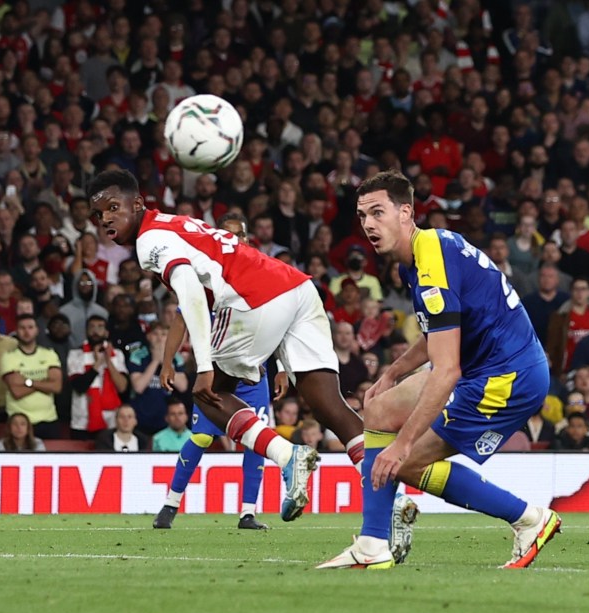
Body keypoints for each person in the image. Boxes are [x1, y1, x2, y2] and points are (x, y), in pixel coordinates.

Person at [88, 169, 401, 532]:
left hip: (253, 299)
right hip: (297, 288)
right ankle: (392, 499)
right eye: (98, 215)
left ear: (138, 203)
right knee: (330, 405)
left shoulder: (150, 240)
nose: (106, 218)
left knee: (210, 394)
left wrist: (203, 363)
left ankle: (288, 456)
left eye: (113, 207)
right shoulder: (177, 224)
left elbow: (188, 291)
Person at [317, 170, 560, 570]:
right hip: (484, 367)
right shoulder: (426, 250)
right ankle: (373, 544)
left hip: (507, 378)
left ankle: (529, 519)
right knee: (378, 411)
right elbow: (441, 330)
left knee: (407, 462)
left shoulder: (430, 267)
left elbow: (445, 370)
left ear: (406, 212)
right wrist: (393, 371)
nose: (369, 225)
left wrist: (402, 444)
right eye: (362, 216)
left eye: (378, 213)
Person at [152, 213, 292, 531]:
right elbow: (181, 319)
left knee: (255, 441)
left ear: (246, 239)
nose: (231, 241)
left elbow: (278, 323)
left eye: (236, 235)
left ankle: (247, 513)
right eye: (224, 235)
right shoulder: (205, 277)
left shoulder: (262, 275)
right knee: (201, 436)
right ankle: (170, 505)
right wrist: (167, 361)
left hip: (253, 375)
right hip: (214, 375)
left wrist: (282, 367)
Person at [0, 313, 63, 439]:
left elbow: (56, 387)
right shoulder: (8, 357)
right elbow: (16, 392)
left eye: (30, 327)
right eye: (22, 328)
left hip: (48, 420)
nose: (26, 332)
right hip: (19, 422)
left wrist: (27, 381)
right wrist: (45, 383)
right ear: (16, 331)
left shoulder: (49, 354)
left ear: (37, 330)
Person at [67, 315, 129, 440]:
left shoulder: (117, 354)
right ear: (86, 331)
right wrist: (97, 365)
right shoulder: (75, 354)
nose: (95, 331)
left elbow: (122, 387)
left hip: (111, 420)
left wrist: (108, 361)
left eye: (100, 327)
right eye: (92, 327)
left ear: (106, 332)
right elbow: (79, 386)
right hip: (82, 421)